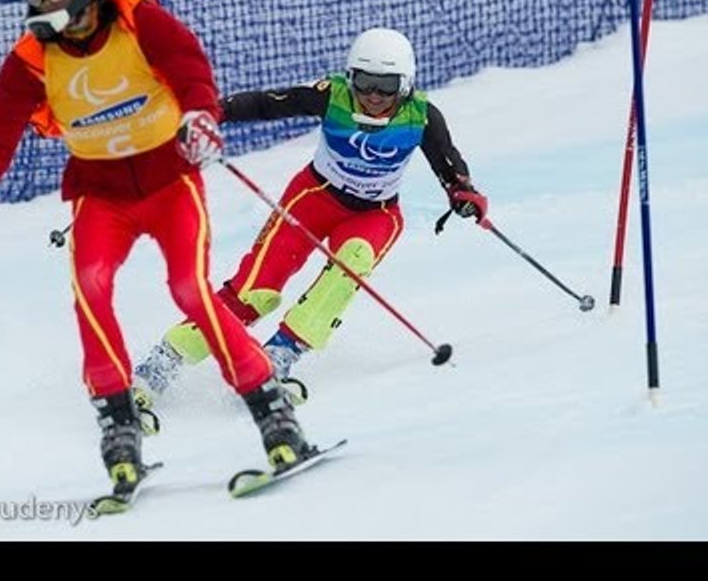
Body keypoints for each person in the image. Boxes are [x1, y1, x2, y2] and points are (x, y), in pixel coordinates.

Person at [0, 0, 317, 495]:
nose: (47, 0)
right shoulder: (31, 57)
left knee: (191, 289)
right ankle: (118, 427)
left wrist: (200, 117)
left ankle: (271, 411)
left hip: (170, 182)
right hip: (101, 194)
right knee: (90, 285)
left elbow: (190, 68)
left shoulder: (139, 20)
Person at [132, 27, 487, 407]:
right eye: (365, 83)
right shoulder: (332, 95)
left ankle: (278, 358)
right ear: (350, 76)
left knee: (352, 264)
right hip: (313, 199)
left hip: (375, 213)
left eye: (386, 86)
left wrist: (461, 192)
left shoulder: (422, 116)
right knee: (255, 291)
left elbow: (449, 165)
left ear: (406, 85)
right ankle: (160, 365)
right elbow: (270, 103)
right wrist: (215, 112)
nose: (373, 96)